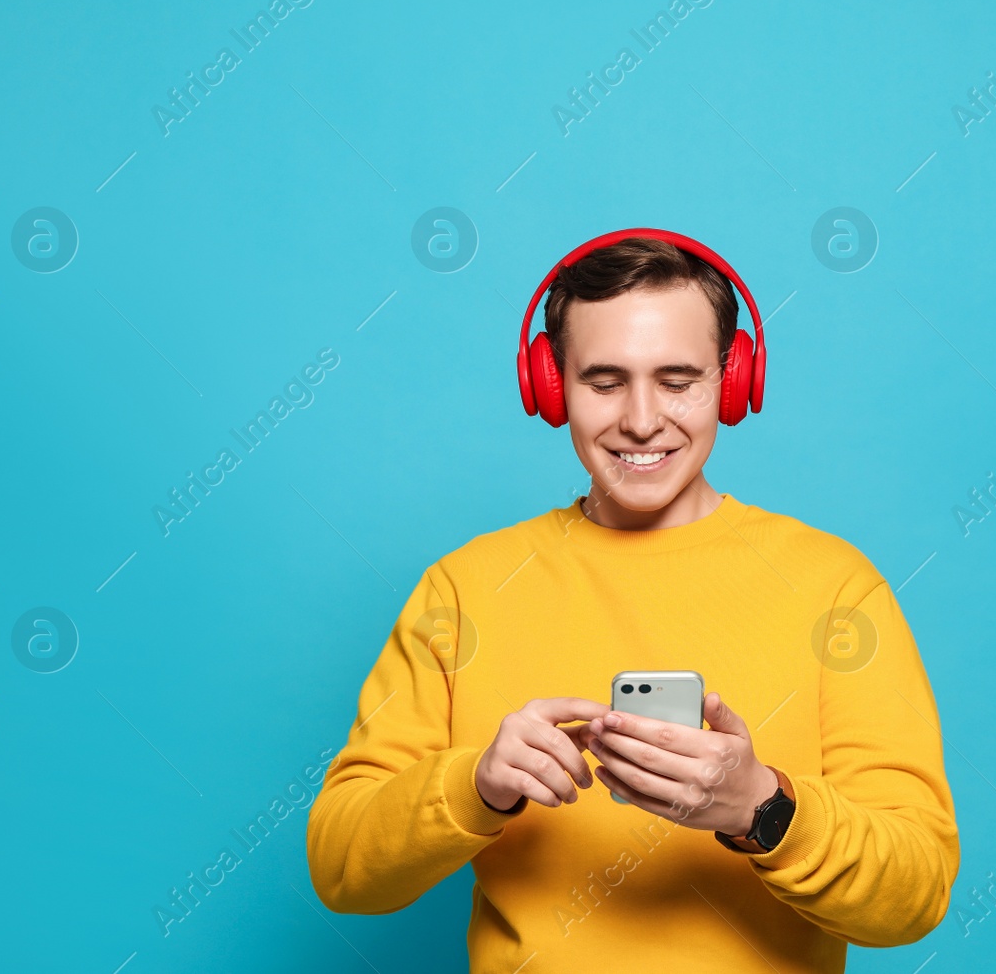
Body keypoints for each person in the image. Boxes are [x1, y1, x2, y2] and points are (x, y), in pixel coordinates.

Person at [306, 229, 960, 971]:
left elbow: (915, 894)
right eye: (605, 380)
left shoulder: (836, 588)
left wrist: (762, 807)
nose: (642, 420)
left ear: (732, 379)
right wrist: (475, 785)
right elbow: (341, 868)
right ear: (550, 385)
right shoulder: (462, 589)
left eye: (678, 380)